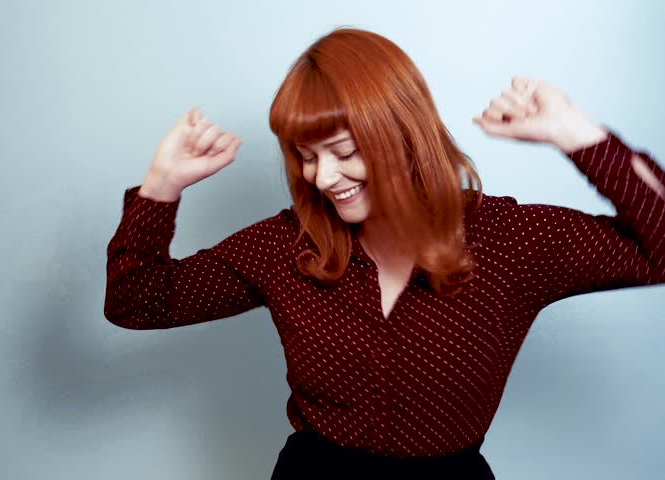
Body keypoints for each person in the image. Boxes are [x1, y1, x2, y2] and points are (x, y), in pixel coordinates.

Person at [104, 28, 664, 479]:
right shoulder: (285, 245)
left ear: (403, 134)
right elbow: (138, 303)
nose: (322, 177)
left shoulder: (510, 241)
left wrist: (578, 134)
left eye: (344, 151)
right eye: (304, 156)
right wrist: (161, 187)